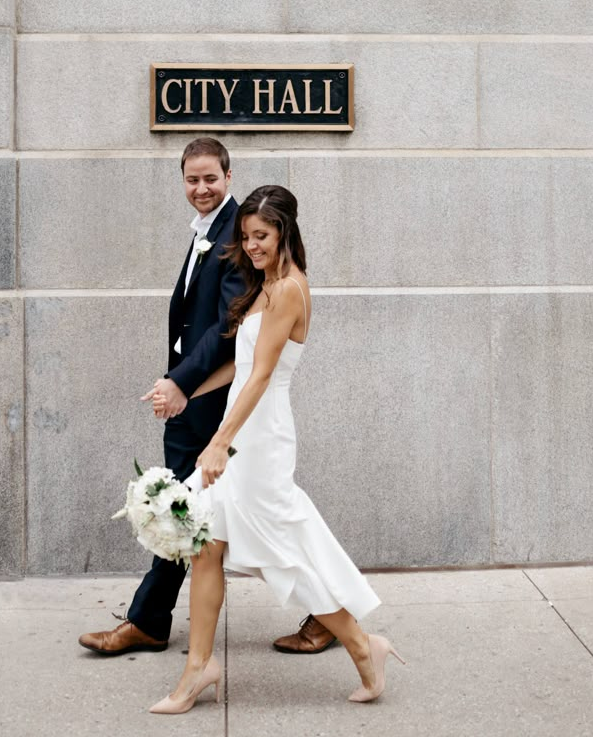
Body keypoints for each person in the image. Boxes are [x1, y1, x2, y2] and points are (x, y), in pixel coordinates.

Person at [148, 185, 405, 714]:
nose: (252, 245)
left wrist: (220, 443)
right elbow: (239, 366)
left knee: (282, 556)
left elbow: (263, 375)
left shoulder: (289, 289)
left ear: (284, 231)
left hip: (260, 439)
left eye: (260, 235)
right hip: (244, 427)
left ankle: (363, 645)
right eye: (245, 236)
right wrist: (181, 391)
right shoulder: (262, 286)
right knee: (206, 545)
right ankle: (199, 668)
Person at [78, 137, 244, 655]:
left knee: (187, 505)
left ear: (228, 177)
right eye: (192, 180)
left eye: (210, 179)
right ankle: (148, 619)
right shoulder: (207, 230)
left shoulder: (237, 233)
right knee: (186, 507)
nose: (201, 188)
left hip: (208, 401)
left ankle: (147, 620)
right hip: (193, 394)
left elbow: (225, 328)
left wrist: (180, 384)